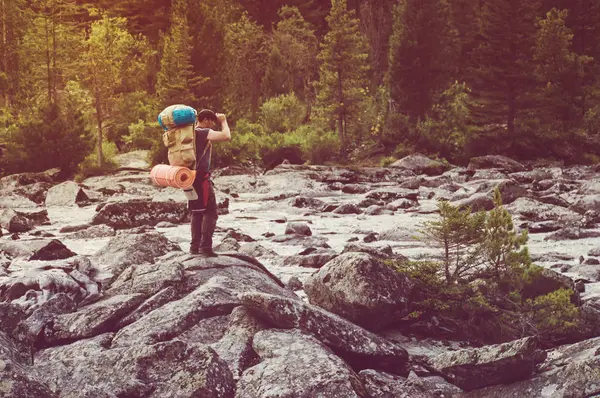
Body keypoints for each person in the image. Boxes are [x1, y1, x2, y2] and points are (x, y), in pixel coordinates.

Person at [189, 109, 231, 256]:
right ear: (206, 120)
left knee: (196, 212)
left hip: (189, 177)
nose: (213, 124)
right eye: (212, 121)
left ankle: (194, 248)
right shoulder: (202, 132)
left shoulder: (190, 133)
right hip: (201, 178)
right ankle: (205, 247)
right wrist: (223, 121)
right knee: (211, 212)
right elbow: (226, 136)